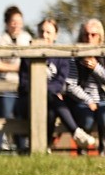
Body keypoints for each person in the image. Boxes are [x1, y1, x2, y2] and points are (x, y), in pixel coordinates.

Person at [17, 18, 81, 153]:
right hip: (28, 101)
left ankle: (43, 147)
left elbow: (60, 83)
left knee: (51, 109)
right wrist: (42, 91)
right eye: (41, 31)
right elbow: (24, 84)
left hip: (50, 102)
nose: (44, 35)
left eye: (48, 32)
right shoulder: (28, 55)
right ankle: (75, 132)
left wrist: (45, 91)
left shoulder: (61, 56)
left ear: (55, 35)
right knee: (52, 100)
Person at [0, 5, 32, 150]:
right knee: (3, 118)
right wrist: (16, 68)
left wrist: (7, 65)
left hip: (22, 86)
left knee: (20, 117)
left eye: (19, 21)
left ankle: (21, 149)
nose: (16, 25)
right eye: (13, 21)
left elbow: (30, 62)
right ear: (7, 22)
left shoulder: (26, 38)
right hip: (4, 86)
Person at [63, 19, 105, 155]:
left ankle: (103, 152)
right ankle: (82, 152)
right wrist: (88, 100)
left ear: (100, 37)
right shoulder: (74, 57)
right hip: (82, 100)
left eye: (93, 35)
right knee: (87, 119)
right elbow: (71, 86)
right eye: (86, 34)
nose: (89, 38)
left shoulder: (103, 55)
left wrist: (96, 68)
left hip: (102, 99)